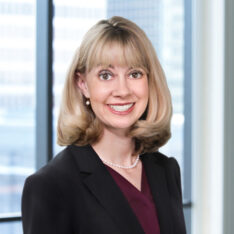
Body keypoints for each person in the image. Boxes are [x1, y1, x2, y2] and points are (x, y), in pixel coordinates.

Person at [21, 16, 186, 234]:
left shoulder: (166, 170)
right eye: (106, 75)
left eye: (134, 73)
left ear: (149, 81)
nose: (123, 90)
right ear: (83, 85)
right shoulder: (51, 186)